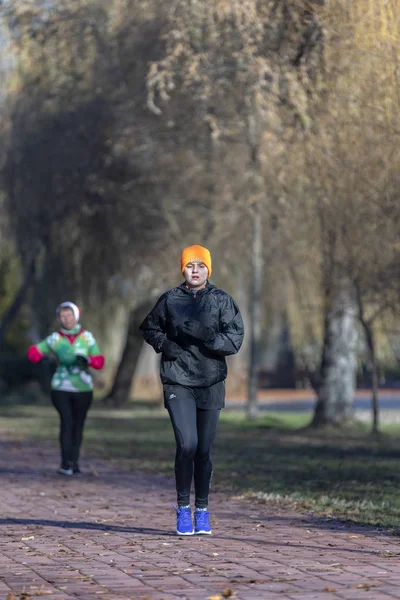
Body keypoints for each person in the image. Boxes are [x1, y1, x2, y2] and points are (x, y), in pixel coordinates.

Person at [140, 245, 244, 535]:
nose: (195, 270)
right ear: (182, 269)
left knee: (204, 450)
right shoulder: (170, 299)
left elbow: (234, 340)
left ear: (208, 269)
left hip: (211, 382)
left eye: (200, 265)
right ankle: (183, 509)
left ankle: (203, 509)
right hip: (178, 379)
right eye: (189, 265)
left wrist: (207, 335)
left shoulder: (223, 301)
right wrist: (165, 345)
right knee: (187, 444)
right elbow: (149, 328)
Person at [27, 302, 105, 475]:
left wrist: (89, 361)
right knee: (67, 421)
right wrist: (41, 359)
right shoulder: (55, 338)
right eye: (62, 316)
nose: (66, 319)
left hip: (83, 389)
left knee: (78, 425)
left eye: (69, 315)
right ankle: (65, 463)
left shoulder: (87, 337)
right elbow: (33, 352)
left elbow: (99, 361)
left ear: (76, 316)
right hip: (61, 387)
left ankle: (74, 462)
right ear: (59, 318)